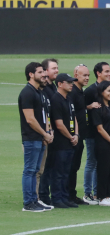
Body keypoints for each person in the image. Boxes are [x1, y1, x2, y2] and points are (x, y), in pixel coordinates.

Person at [19, 62, 54, 212]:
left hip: (39, 138)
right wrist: (45, 133)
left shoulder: (39, 92)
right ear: (31, 74)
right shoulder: (27, 92)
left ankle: (35, 200)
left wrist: (48, 133)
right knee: (30, 170)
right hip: (31, 138)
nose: (44, 75)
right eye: (40, 72)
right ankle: (28, 202)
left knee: (35, 171)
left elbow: (44, 117)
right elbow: (30, 119)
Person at [83, 62, 110, 205]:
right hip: (92, 133)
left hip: (105, 134)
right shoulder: (89, 91)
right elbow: (79, 108)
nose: (109, 74)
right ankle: (87, 193)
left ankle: (97, 193)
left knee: (101, 163)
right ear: (98, 73)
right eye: (106, 71)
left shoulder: (108, 89)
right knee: (91, 162)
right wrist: (89, 106)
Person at [50, 73, 79, 209]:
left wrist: (76, 134)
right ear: (60, 84)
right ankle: (57, 198)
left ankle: (64, 197)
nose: (71, 84)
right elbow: (59, 124)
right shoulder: (56, 99)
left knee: (66, 171)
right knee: (59, 172)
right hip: (60, 143)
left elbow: (74, 119)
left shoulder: (68, 99)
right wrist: (70, 136)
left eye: (72, 82)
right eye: (68, 82)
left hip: (70, 142)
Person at [67, 64, 90, 205]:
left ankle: (72, 194)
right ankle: (66, 195)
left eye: (88, 75)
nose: (87, 78)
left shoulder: (80, 91)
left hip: (80, 135)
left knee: (75, 166)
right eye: (84, 75)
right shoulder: (73, 92)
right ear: (76, 75)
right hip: (73, 136)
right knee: (69, 167)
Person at [38, 58, 59, 206]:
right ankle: (42, 195)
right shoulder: (44, 89)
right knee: (43, 167)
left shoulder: (53, 87)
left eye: (57, 68)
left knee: (50, 165)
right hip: (46, 133)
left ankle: (46, 194)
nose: (56, 70)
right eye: (53, 68)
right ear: (45, 71)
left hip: (52, 132)